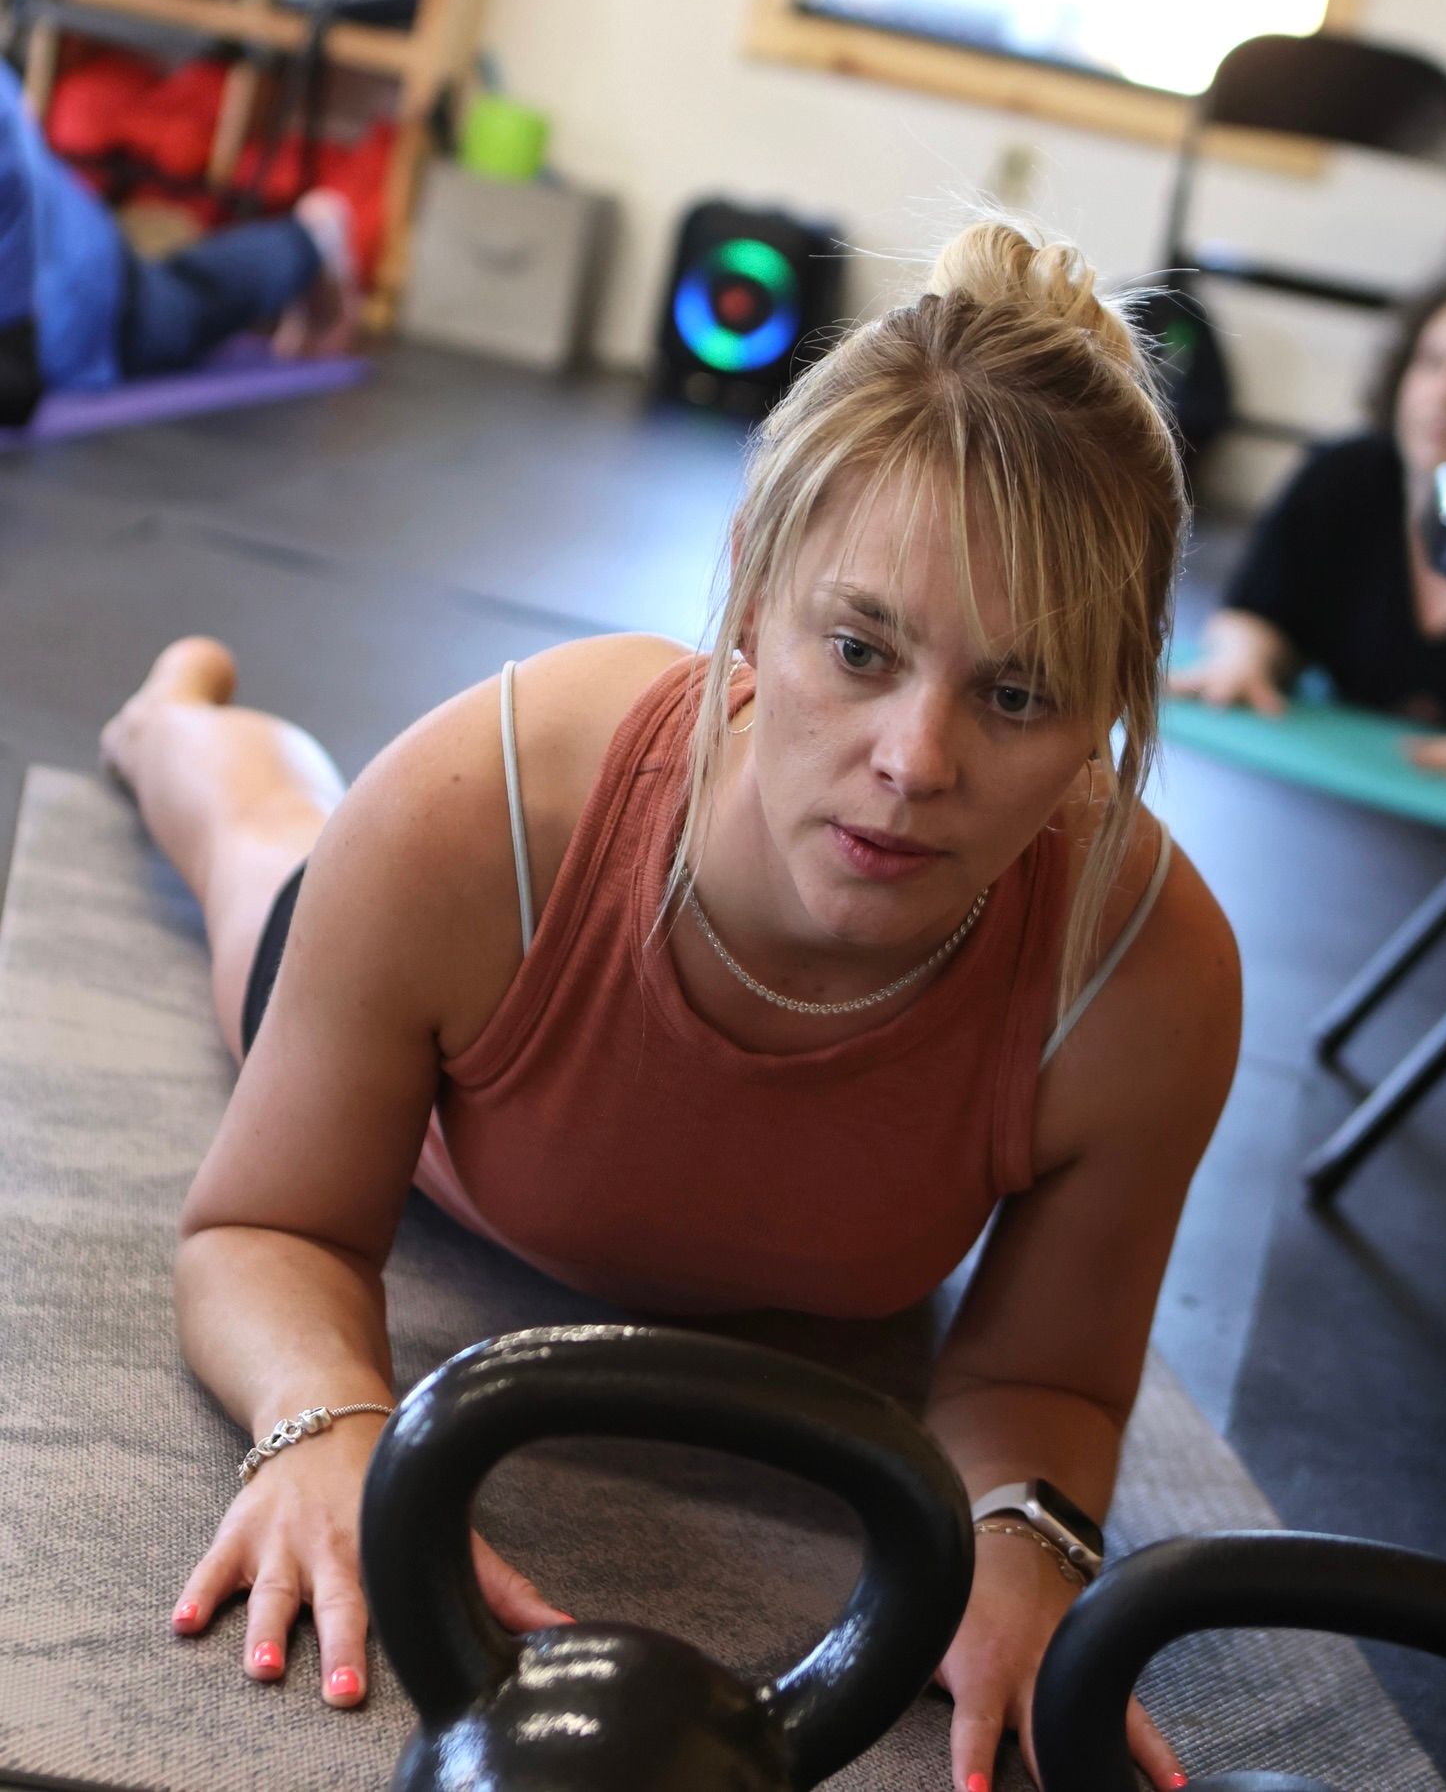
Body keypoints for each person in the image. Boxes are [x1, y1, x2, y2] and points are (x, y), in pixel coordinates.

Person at [99, 222, 1240, 1792]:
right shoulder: (476, 809)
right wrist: (322, 1424)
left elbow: (1040, 1381)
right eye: (860, 649)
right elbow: (262, 1231)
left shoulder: (1145, 977)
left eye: (1019, 693)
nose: (917, 761)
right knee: (254, 847)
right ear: (754, 606)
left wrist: (1021, 1533)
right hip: (451, 1042)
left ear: (1110, 706)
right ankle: (172, 719)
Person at [1171, 274, 1446, 792]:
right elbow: (1261, 611)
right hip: (1337, 806)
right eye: (1431, 362)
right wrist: (1245, 654)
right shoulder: (1345, 475)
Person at [0, 58, 358, 426]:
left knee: (182, 309)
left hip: (85, 293)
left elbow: (16, 376)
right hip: (62, 237)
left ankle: (310, 239)